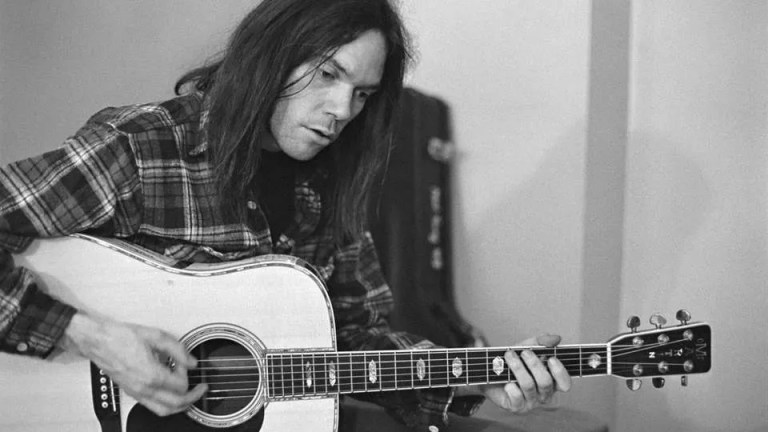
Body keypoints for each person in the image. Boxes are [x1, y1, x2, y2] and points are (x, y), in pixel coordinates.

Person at [0, 0, 571, 430]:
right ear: (270, 57)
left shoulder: (331, 183)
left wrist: (480, 377)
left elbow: (351, 339)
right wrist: (95, 337)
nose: (343, 111)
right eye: (328, 74)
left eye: (364, 94)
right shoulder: (145, 148)